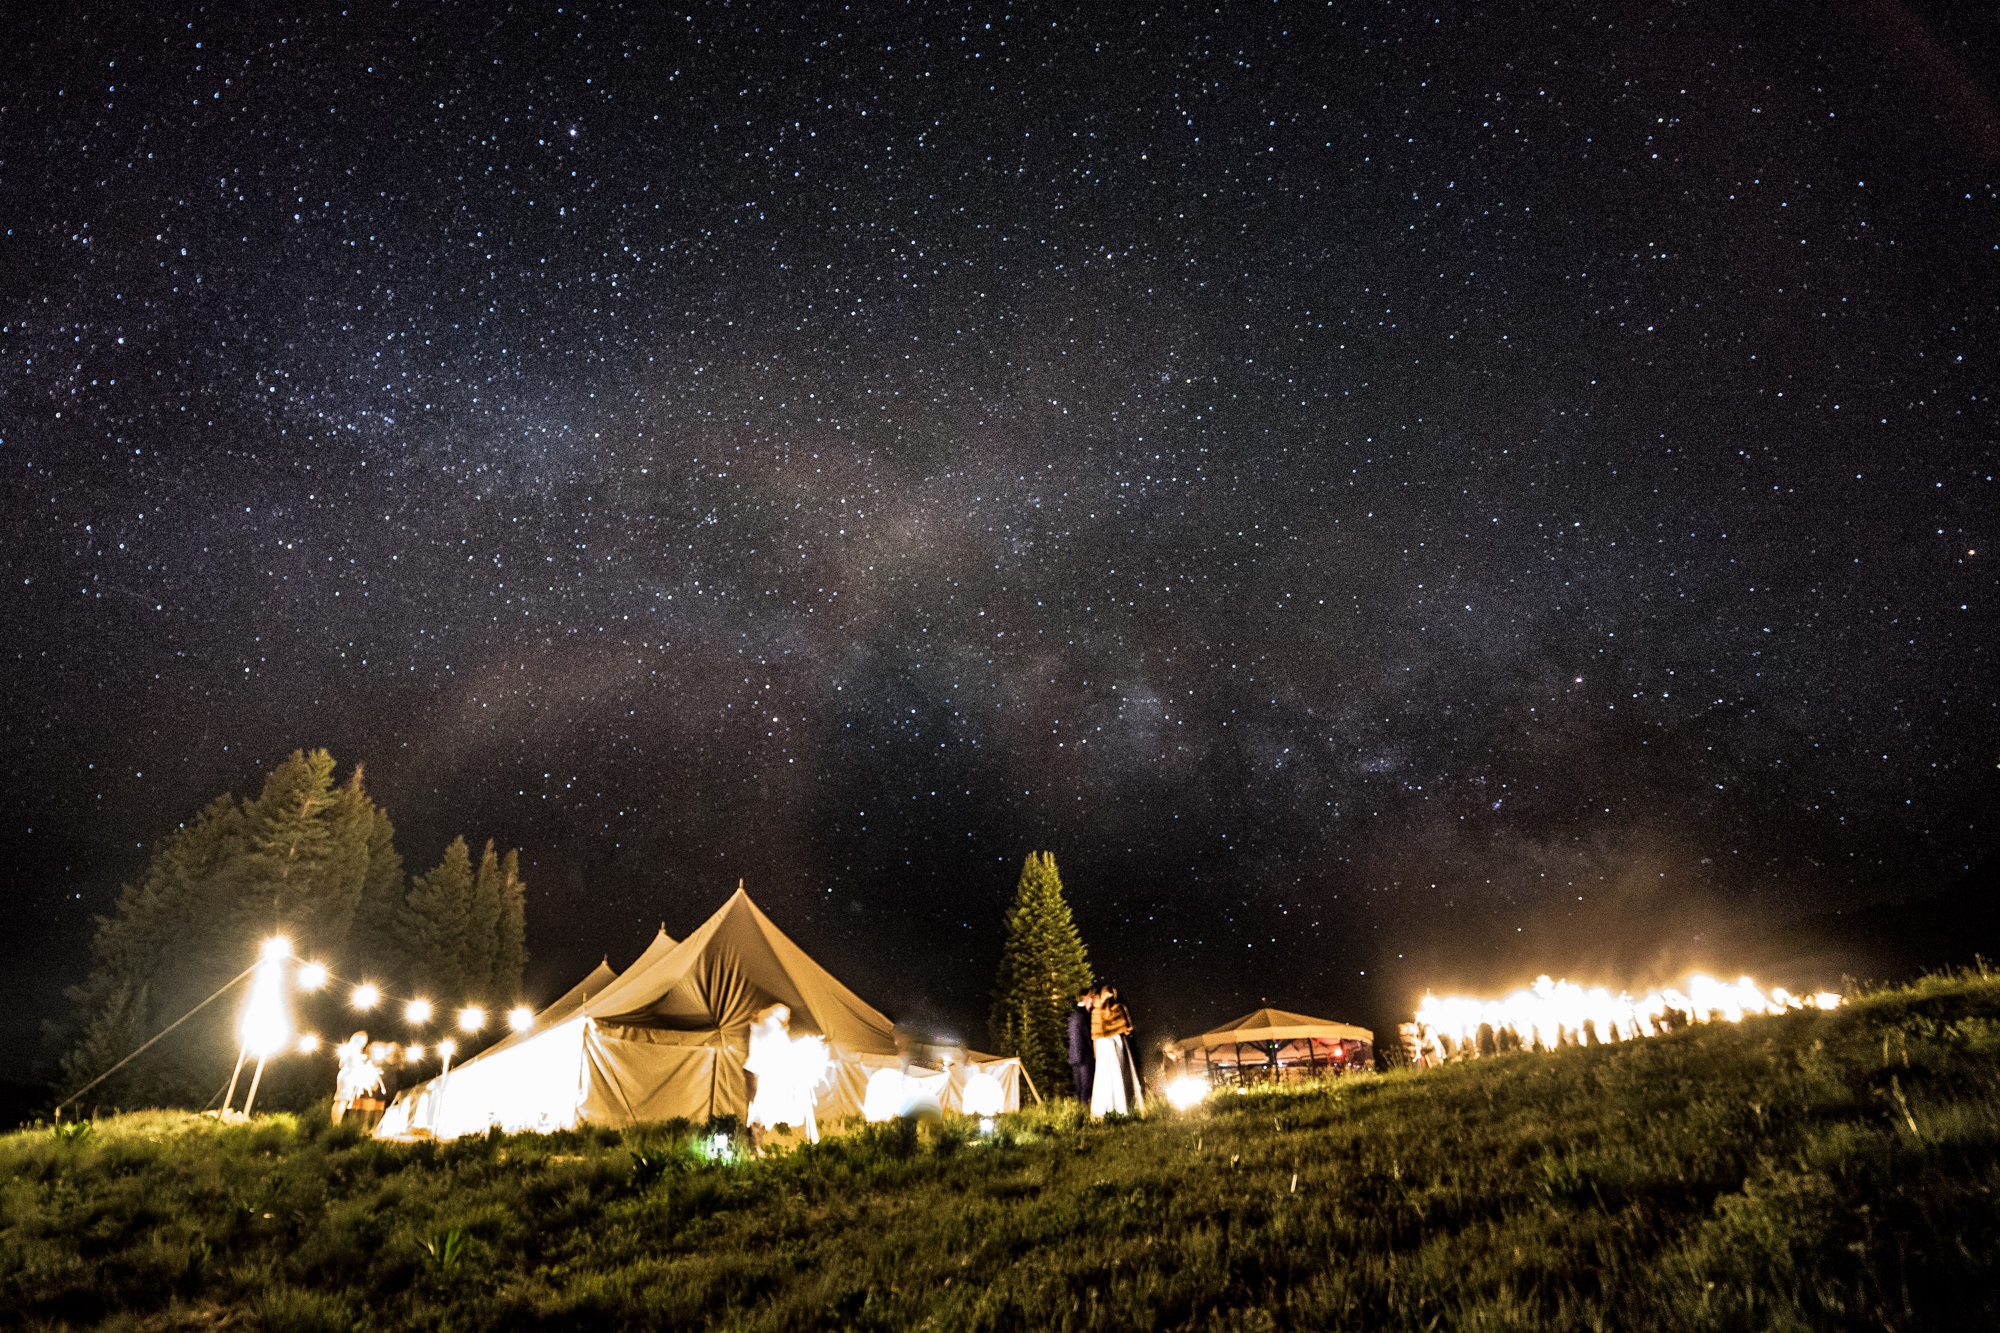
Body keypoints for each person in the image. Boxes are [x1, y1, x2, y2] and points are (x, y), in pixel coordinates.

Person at [745, 1003, 830, 1147]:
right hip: (760, 1073)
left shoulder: (768, 1024)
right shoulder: (770, 1025)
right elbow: (780, 1051)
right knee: (759, 1109)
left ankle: (757, 1144)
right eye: (785, 1015)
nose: (787, 1018)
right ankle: (754, 1145)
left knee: (761, 1110)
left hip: (761, 1072)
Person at [1089, 985, 1145, 1118]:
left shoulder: (1096, 1012)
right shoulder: (1119, 1009)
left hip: (1103, 1048)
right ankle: (1125, 1108)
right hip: (1117, 1046)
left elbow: (1095, 1036)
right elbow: (1127, 1028)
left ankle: (1103, 1111)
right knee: (1121, 1076)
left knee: (1103, 1079)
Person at [332, 1031, 385, 1127]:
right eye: (364, 1040)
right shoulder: (356, 1050)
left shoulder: (347, 1048)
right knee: (343, 1101)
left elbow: (340, 1064)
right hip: (349, 1077)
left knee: (338, 1100)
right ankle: (337, 1125)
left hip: (342, 1075)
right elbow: (356, 1066)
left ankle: (333, 1123)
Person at [1068, 987, 1098, 1102]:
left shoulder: (1073, 1015)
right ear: (1085, 998)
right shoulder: (1083, 1016)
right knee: (1086, 1086)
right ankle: (1085, 1112)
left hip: (1075, 1056)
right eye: (1090, 997)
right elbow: (1087, 1036)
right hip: (1085, 1056)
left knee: (1079, 1088)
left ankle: (1081, 1112)